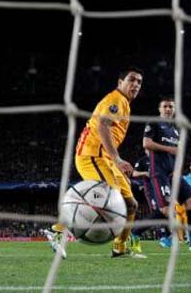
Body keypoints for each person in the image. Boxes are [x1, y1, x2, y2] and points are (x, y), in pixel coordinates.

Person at [52, 67, 145, 258]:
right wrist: (117, 158)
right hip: (92, 156)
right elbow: (103, 126)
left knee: (131, 204)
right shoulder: (115, 99)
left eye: (139, 82)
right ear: (120, 82)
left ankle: (119, 248)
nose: (135, 84)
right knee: (109, 200)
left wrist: (115, 161)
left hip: (105, 159)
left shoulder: (124, 103)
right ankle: (57, 232)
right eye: (132, 80)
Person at [130, 97, 191, 254]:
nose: (168, 109)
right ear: (160, 109)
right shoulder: (153, 123)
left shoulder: (176, 130)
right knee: (166, 211)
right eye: (165, 106)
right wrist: (169, 149)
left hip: (173, 173)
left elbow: (178, 153)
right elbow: (146, 144)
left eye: (171, 107)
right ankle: (135, 233)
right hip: (158, 172)